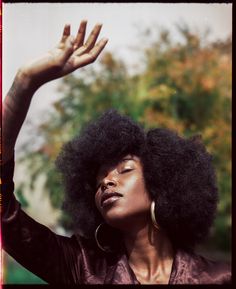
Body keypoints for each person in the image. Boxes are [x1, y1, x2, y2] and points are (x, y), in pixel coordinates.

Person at [1, 20, 231, 284]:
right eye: (99, 181)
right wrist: (25, 81)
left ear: (161, 182)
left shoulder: (220, 278)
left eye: (126, 169)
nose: (107, 182)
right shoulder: (82, 268)